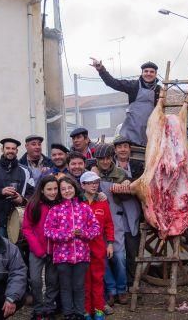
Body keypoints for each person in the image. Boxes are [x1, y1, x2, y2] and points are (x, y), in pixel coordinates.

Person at [44, 176, 100, 320]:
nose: (67, 191)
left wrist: (83, 233)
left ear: (75, 188)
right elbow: (48, 231)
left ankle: (79, 313)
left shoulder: (84, 208)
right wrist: (67, 235)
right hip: (62, 256)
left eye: (69, 188)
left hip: (82, 255)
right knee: (65, 286)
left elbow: (95, 228)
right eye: (63, 189)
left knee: (79, 286)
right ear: (60, 192)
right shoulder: (55, 210)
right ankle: (68, 313)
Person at [90, 58, 161, 147]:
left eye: (151, 72)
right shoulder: (133, 86)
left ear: (155, 74)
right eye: (146, 71)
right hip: (130, 135)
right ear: (142, 73)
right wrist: (101, 70)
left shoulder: (159, 90)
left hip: (150, 135)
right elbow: (113, 83)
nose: (148, 74)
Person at [94, 143, 131, 307]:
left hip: (116, 219)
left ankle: (122, 289)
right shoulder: (91, 173)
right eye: (101, 158)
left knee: (119, 257)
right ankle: (111, 291)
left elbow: (129, 197)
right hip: (96, 220)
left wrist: (125, 186)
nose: (105, 161)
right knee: (102, 258)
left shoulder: (121, 174)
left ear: (112, 158)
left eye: (108, 158)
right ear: (97, 160)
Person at [22, 175, 61, 320]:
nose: (53, 192)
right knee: (36, 280)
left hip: (56, 250)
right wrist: (38, 249)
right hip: (37, 250)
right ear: (42, 190)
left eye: (55, 189)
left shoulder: (60, 204)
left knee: (52, 280)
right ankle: (38, 309)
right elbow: (27, 228)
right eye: (49, 189)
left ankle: (49, 308)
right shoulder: (34, 204)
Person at [0, 138, 34, 237]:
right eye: (7, 148)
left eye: (13, 149)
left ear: (17, 151)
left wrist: (22, 200)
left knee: (18, 251)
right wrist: (1, 191)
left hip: (18, 220)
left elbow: (32, 193)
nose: (10, 151)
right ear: (2, 150)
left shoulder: (26, 171)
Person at [80, 171, 114, 320]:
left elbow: (109, 225)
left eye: (96, 182)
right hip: (81, 248)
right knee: (85, 281)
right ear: (82, 185)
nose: (94, 185)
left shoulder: (102, 202)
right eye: (90, 183)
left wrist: (110, 244)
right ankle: (87, 311)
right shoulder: (77, 203)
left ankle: (98, 309)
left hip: (99, 247)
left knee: (98, 279)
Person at [112, 135, 144, 288]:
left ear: (130, 149)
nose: (123, 149)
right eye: (119, 147)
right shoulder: (109, 165)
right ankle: (118, 285)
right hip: (114, 212)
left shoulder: (138, 165)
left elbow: (144, 181)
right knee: (116, 252)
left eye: (125, 146)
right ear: (115, 150)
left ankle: (132, 283)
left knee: (132, 249)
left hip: (133, 212)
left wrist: (129, 182)